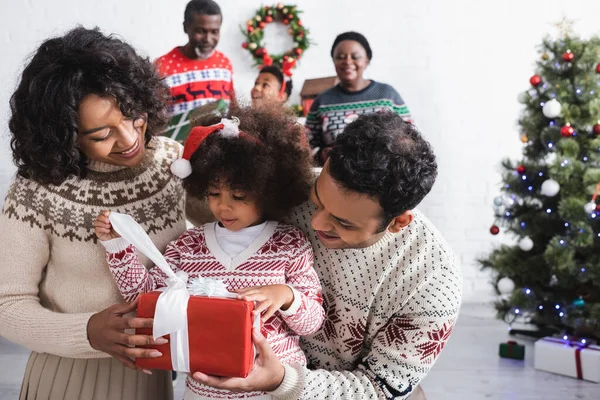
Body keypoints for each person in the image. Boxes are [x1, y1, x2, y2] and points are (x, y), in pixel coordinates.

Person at [190, 112, 462, 399]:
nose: (316, 223)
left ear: (398, 222)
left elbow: (378, 389)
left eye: (344, 223)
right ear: (328, 161)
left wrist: (283, 380)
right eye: (318, 201)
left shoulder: (433, 285)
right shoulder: (287, 191)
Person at [0, 27, 192, 400]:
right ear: (65, 135)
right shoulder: (36, 190)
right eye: (102, 135)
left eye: (132, 114)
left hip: (153, 377)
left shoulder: (172, 162)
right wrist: (87, 331)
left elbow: (242, 217)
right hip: (68, 378)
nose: (129, 138)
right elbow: (7, 304)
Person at [94, 105, 325, 400]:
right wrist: (118, 246)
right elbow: (144, 298)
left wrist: (286, 296)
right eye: (214, 194)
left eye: (239, 196)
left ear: (268, 190)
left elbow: (313, 323)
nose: (222, 207)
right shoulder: (189, 245)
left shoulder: (290, 244)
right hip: (203, 391)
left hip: (272, 390)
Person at [306, 31, 412, 165]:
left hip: (384, 180)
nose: (347, 62)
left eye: (355, 56)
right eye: (340, 57)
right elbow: (306, 146)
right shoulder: (322, 102)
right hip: (337, 180)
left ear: (367, 60)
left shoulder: (387, 96)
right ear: (333, 60)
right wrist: (322, 153)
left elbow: (410, 139)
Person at [156, 0, 235, 143]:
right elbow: (154, 120)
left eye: (214, 31)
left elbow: (233, 106)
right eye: (201, 31)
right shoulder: (162, 67)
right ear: (186, 27)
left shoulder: (224, 63)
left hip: (218, 151)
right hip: (179, 154)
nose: (208, 39)